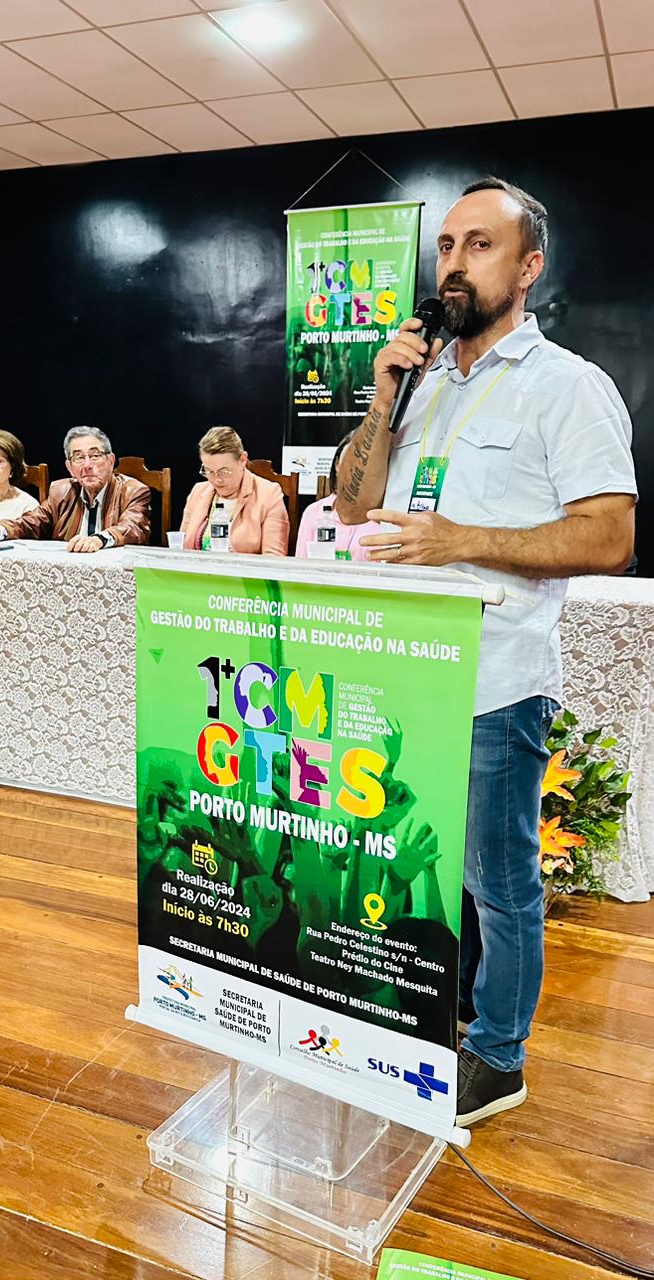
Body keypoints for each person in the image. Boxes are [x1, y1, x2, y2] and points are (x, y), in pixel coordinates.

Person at [336, 177, 637, 1127]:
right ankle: (445, 1010)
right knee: (421, 864)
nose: (454, 263)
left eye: (479, 246)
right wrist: (385, 398)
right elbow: (352, 503)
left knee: (498, 885)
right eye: (447, 247)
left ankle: (498, 1056)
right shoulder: (421, 383)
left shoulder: (569, 387)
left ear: (529, 267)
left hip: (496, 686)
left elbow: (606, 537)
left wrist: (459, 539)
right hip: (403, 676)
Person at [0, 426, 150, 551]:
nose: (88, 465)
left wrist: (99, 539)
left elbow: (133, 529)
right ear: (69, 467)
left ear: (111, 461)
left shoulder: (133, 491)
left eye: (95, 456)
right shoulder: (61, 491)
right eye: (79, 458)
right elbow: (31, 523)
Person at [180, 426, 289, 555]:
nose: (216, 480)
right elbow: (182, 548)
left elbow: (274, 559)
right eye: (209, 471)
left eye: (224, 471)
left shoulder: (269, 494)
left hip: (245, 574)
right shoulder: (198, 492)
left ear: (242, 460)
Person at [295, 430, 380, 560]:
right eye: (349, 461)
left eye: (365, 463)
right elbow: (300, 568)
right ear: (336, 464)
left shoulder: (382, 518)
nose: (357, 471)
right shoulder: (313, 513)